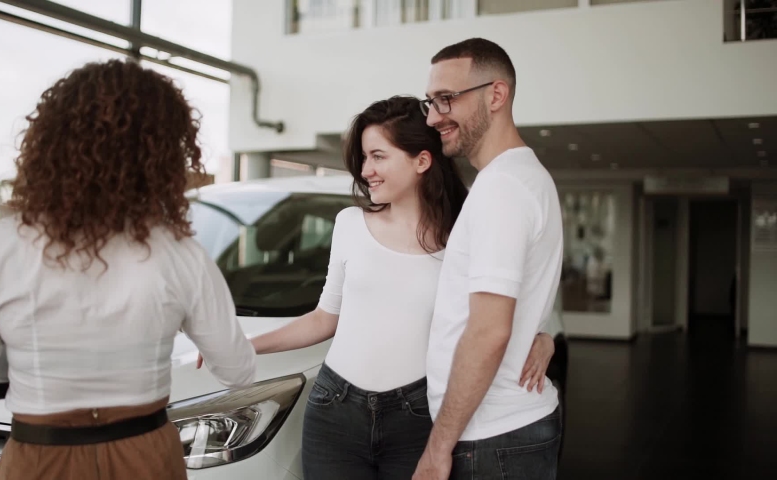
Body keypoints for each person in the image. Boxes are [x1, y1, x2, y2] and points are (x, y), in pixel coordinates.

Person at [198, 95, 557, 479]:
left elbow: (497, 311)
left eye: (378, 156)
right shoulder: (349, 224)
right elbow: (323, 319)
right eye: (364, 158)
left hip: (419, 417)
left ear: (422, 160)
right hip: (335, 411)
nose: (366, 169)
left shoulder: (461, 239)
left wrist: (540, 334)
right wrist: (242, 345)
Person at [0, 59, 256, 480]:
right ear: (161, 154)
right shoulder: (182, 253)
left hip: (38, 459)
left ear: (51, 143)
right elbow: (239, 372)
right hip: (147, 459)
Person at [413, 38, 565, 480]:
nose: (433, 116)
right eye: (430, 101)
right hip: (509, 431)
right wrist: (542, 331)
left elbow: (488, 331)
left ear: (496, 95)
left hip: (491, 438)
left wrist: (437, 450)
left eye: (447, 99)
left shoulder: (503, 189)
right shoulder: (523, 177)